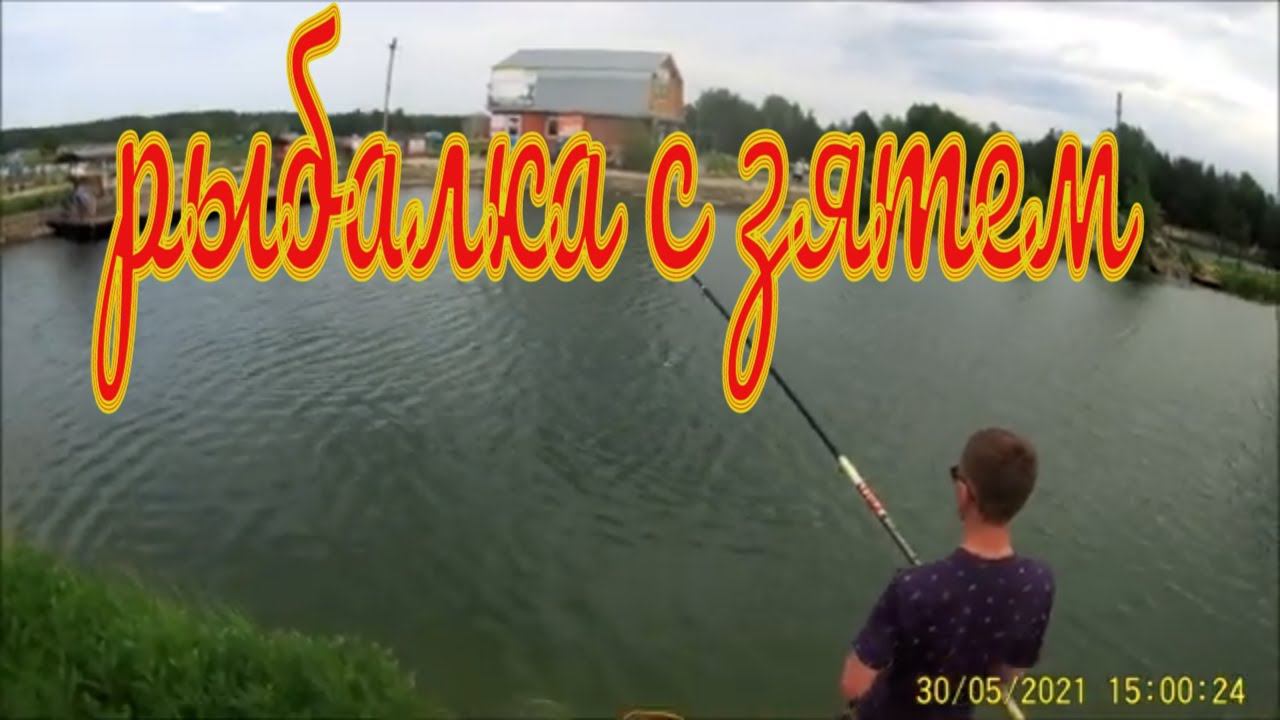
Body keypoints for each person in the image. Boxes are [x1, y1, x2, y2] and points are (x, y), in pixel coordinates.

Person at [839, 428, 1054, 719]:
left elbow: (853, 685)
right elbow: (1008, 676)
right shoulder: (1038, 584)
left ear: (965, 492)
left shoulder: (913, 588)